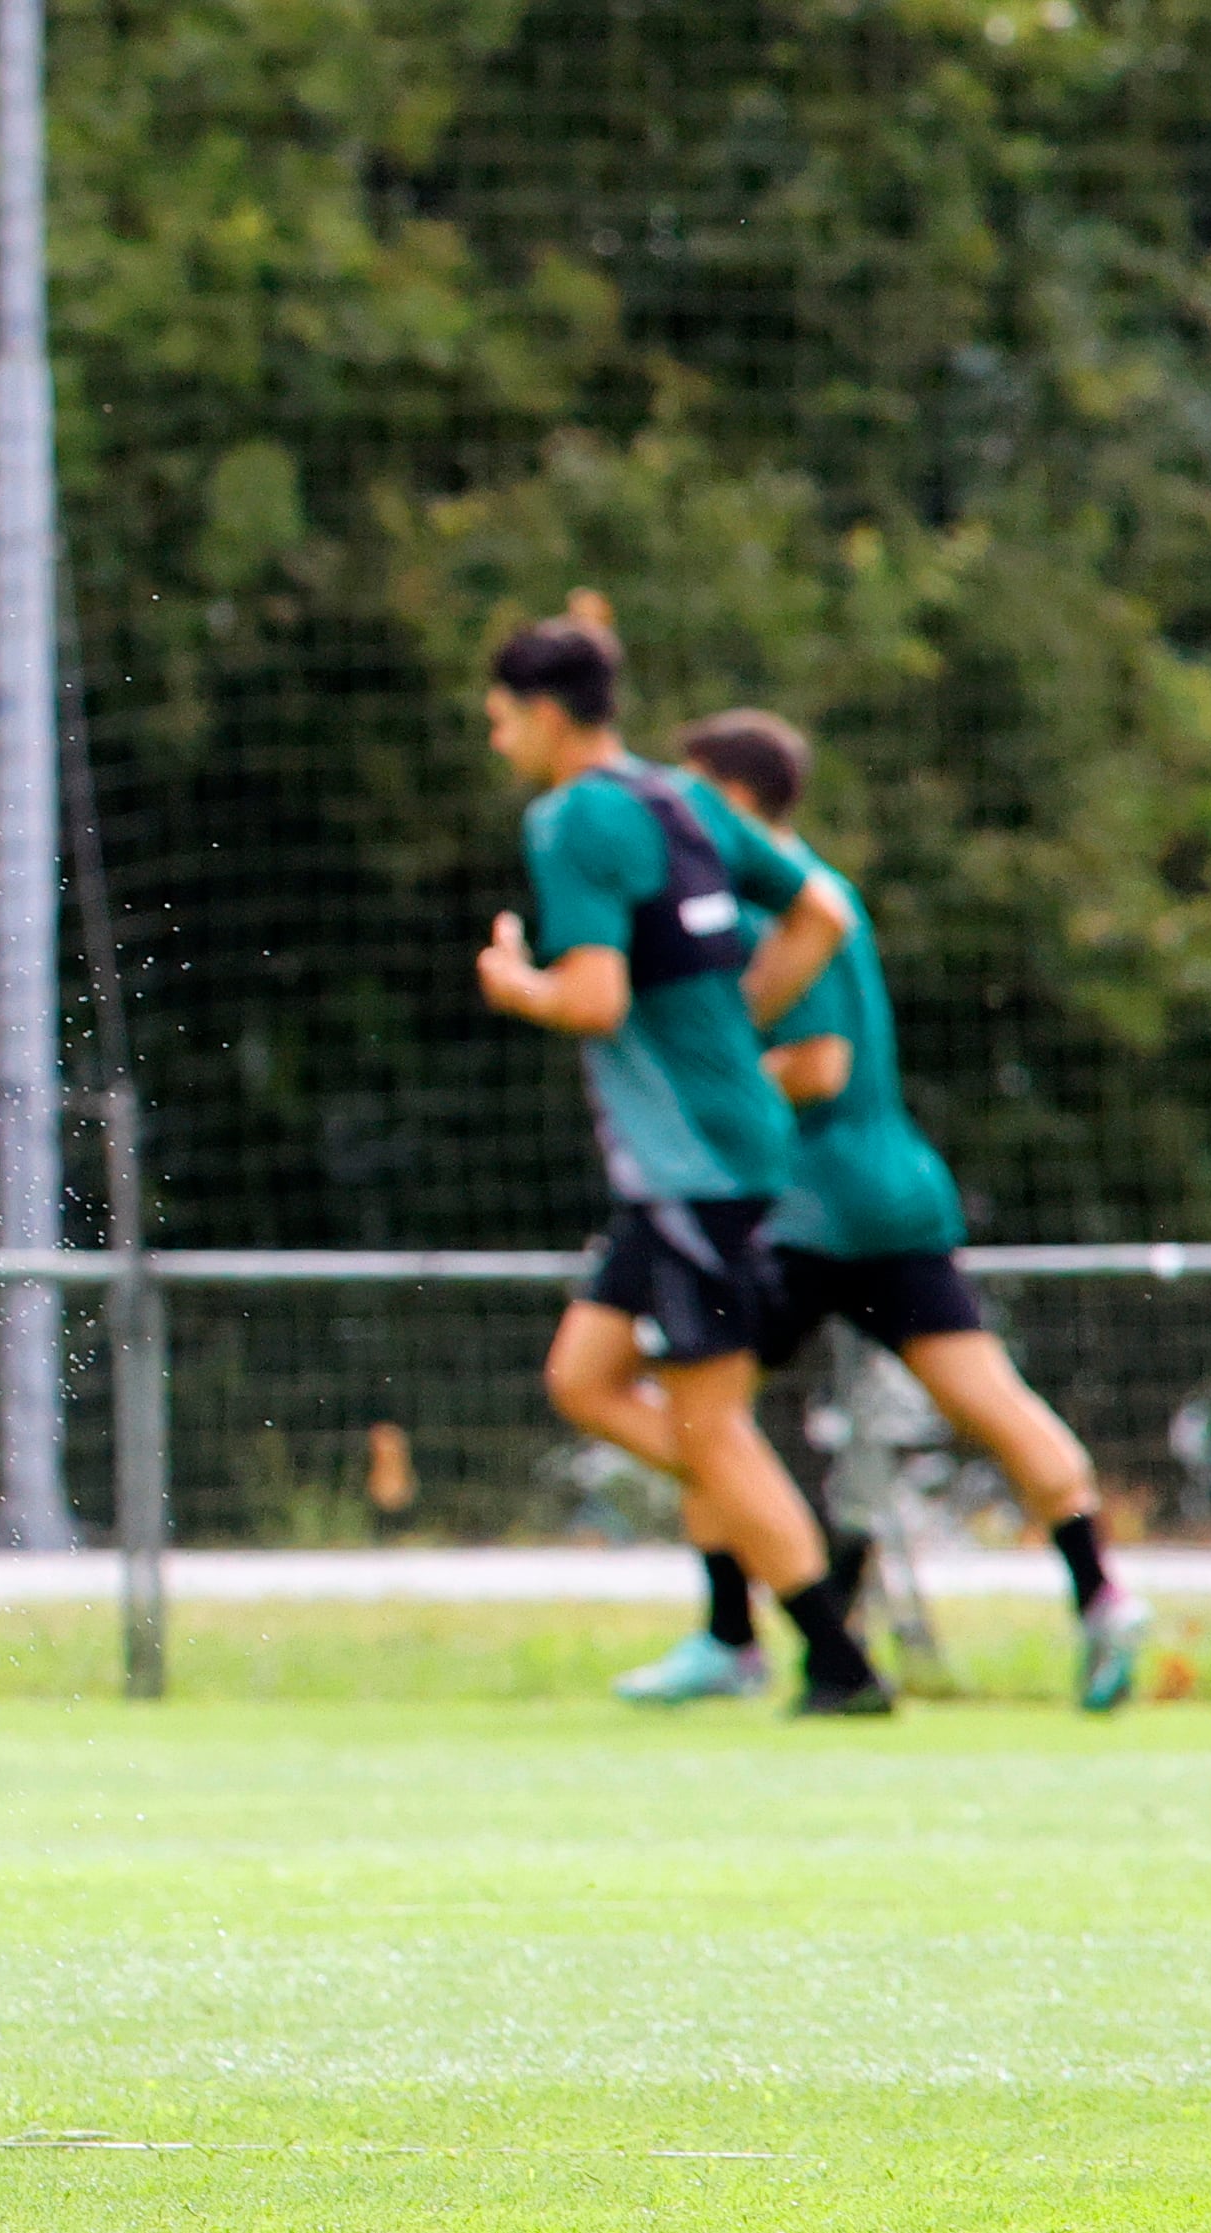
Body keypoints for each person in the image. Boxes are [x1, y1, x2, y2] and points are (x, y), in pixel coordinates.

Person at [600, 710, 1152, 1713]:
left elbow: (820, 1066)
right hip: (895, 1192)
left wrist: (706, 1086)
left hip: (812, 1210)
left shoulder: (767, 907)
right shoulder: (821, 886)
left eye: (692, 795)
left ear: (733, 799)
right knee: (988, 1398)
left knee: (702, 1402)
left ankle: (732, 1635)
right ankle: (1101, 1592)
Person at [473, 595, 892, 1715]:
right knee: (584, 1378)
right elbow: (821, 915)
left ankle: (833, 1654)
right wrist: (738, 1023)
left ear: (547, 715)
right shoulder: (685, 796)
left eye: (501, 720)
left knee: (710, 1425)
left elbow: (597, 995)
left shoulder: (570, 820)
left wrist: (519, 984)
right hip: (704, 1152)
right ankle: (786, 1540)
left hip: (693, 1165)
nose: (498, 742)